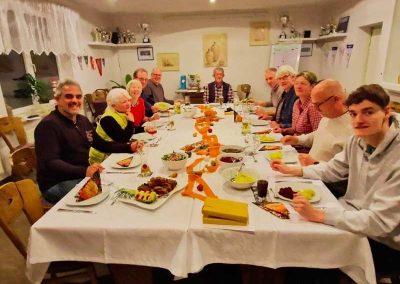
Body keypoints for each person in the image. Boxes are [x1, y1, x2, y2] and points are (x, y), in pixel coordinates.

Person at [271, 84, 400, 272]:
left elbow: (379, 223)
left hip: (383, 241)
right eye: (354, 114)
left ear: (386, 112)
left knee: (305, 251)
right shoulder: (357, 140)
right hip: (350, 215)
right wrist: (293, 171)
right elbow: (332, 170)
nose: (358, 120)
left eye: (368, 112)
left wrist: (321, 215)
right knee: (296, 235)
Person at [35, 80, 134, 204]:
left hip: (81, 175)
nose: (74, 100)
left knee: (121, 184)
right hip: (57, 183)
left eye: (78, 96)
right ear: (57, 99)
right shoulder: (48, 126)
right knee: (109, 196)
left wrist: (129, 148)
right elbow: (51, 162)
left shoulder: (82, 121)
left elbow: (101, 144)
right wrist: (84, 171)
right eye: (69, 96)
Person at [281, 79, 352, 166]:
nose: (315, 109)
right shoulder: (327, 116)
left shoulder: (352, 129)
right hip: (311, 169)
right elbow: (319, 134)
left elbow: (344, 170)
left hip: (323, 177)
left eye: (318, 104)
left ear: (337, 100)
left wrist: (316, 163)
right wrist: (298, 139)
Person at [89, 88, 144, 164]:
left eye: (128, 100)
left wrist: (144, 129)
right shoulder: (107, 118)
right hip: (102, 158)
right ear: (113, 105)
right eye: (124, 102)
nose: (128, 103)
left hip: (115, 150)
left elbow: (127, 130)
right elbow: (123, 139)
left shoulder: (121, 112)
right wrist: (131, 122)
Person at [272, 71, 322, 137]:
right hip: (295, 142)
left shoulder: (313, 106)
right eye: (296, 83)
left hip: (302, 146)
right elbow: (295, 129)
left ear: (312, 86)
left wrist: (296, 141)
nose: (298, 86)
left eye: (303, 84)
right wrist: (282, 130)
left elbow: (317, 136)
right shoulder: (297, 103)